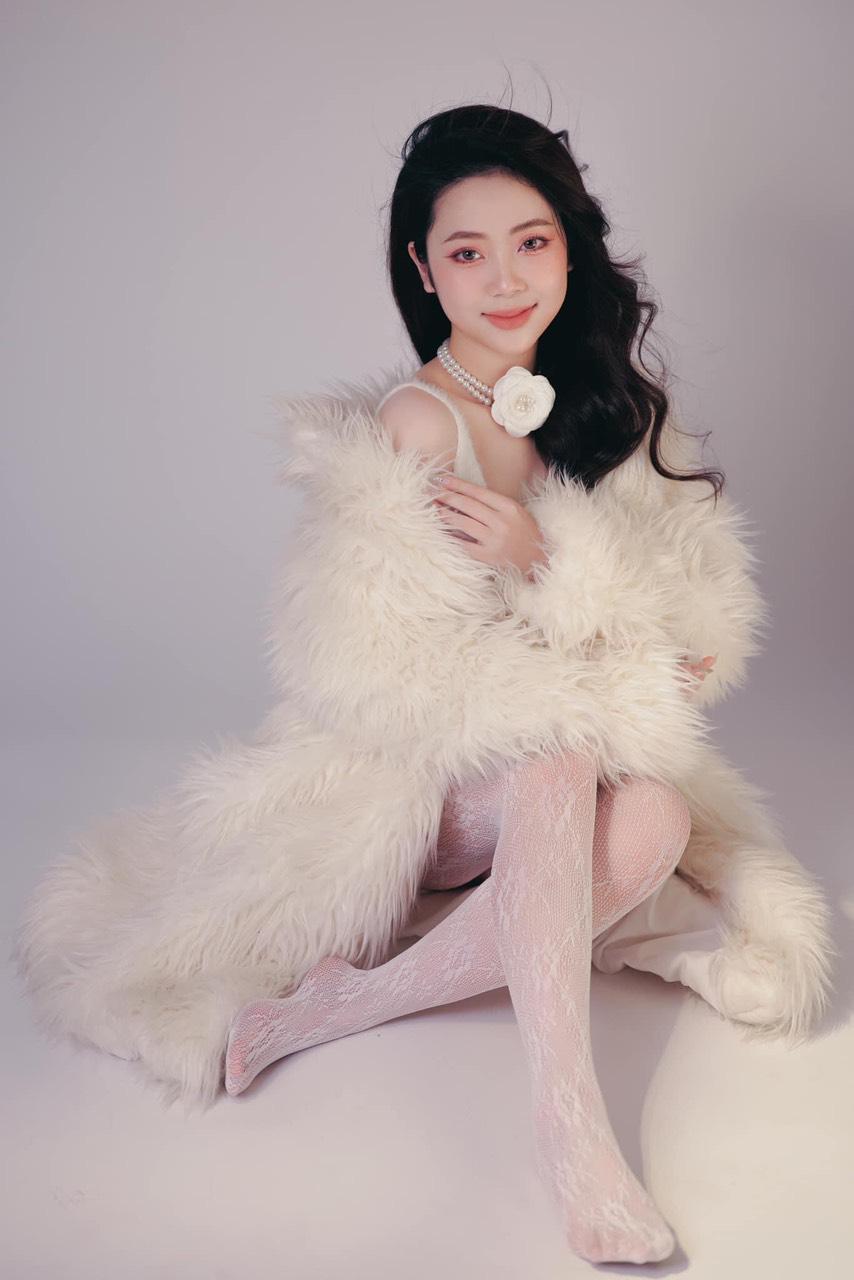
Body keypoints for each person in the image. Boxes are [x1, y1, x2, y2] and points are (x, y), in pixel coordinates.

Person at [14, 102, 835, 1268]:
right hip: (411, 786)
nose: (503, 279)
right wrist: (590, 652)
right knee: (556, 753)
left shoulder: (602, 409)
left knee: (653, 817)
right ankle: (570, 1130)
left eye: (530, 242)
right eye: (466, 251)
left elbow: (687, 627)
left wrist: (546, 559)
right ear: (422, 268)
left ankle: (341, 1003)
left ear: (569, 250)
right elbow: (388, 678)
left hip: (541, 778)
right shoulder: (416, 423)